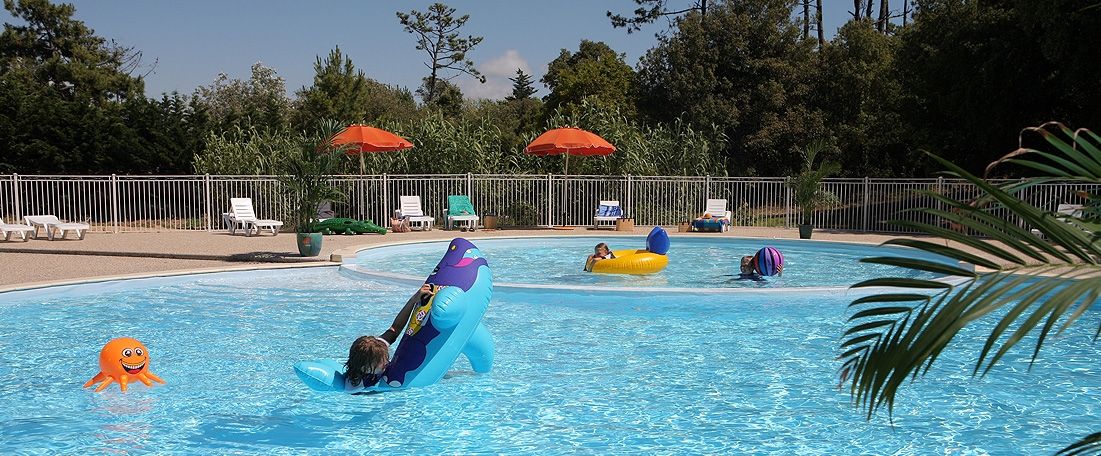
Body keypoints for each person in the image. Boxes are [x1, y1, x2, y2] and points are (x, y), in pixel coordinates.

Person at [345, 283, 437, 388]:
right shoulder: (356, 386)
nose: (386, 362)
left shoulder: (377, 348)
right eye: (381, 362)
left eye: (385, 358)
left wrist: (414, 299)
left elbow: (396, 327)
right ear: (365, 368)